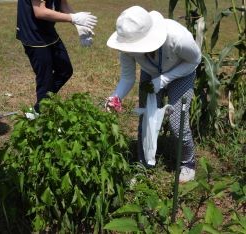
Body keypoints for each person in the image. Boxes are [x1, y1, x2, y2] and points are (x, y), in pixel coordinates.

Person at [105, 6, 201, 183]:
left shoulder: (177, 38)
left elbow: (195, 60)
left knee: (177, 122)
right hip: (151, 73)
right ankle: (144, 165)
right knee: (146, 119)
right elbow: (127, 78)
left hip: (182, 72)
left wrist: (164, 80)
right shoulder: (127, 46)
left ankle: (188, 163)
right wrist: (115, 97)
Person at [16, 0, 97, 113]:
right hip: (33, 35)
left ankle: (41, 104)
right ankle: (39, 114)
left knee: (65, 70)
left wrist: (79, 25)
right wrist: (72, 18)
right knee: (45, 78)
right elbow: (39, 11)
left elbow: (63, 4)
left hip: (48, 31)